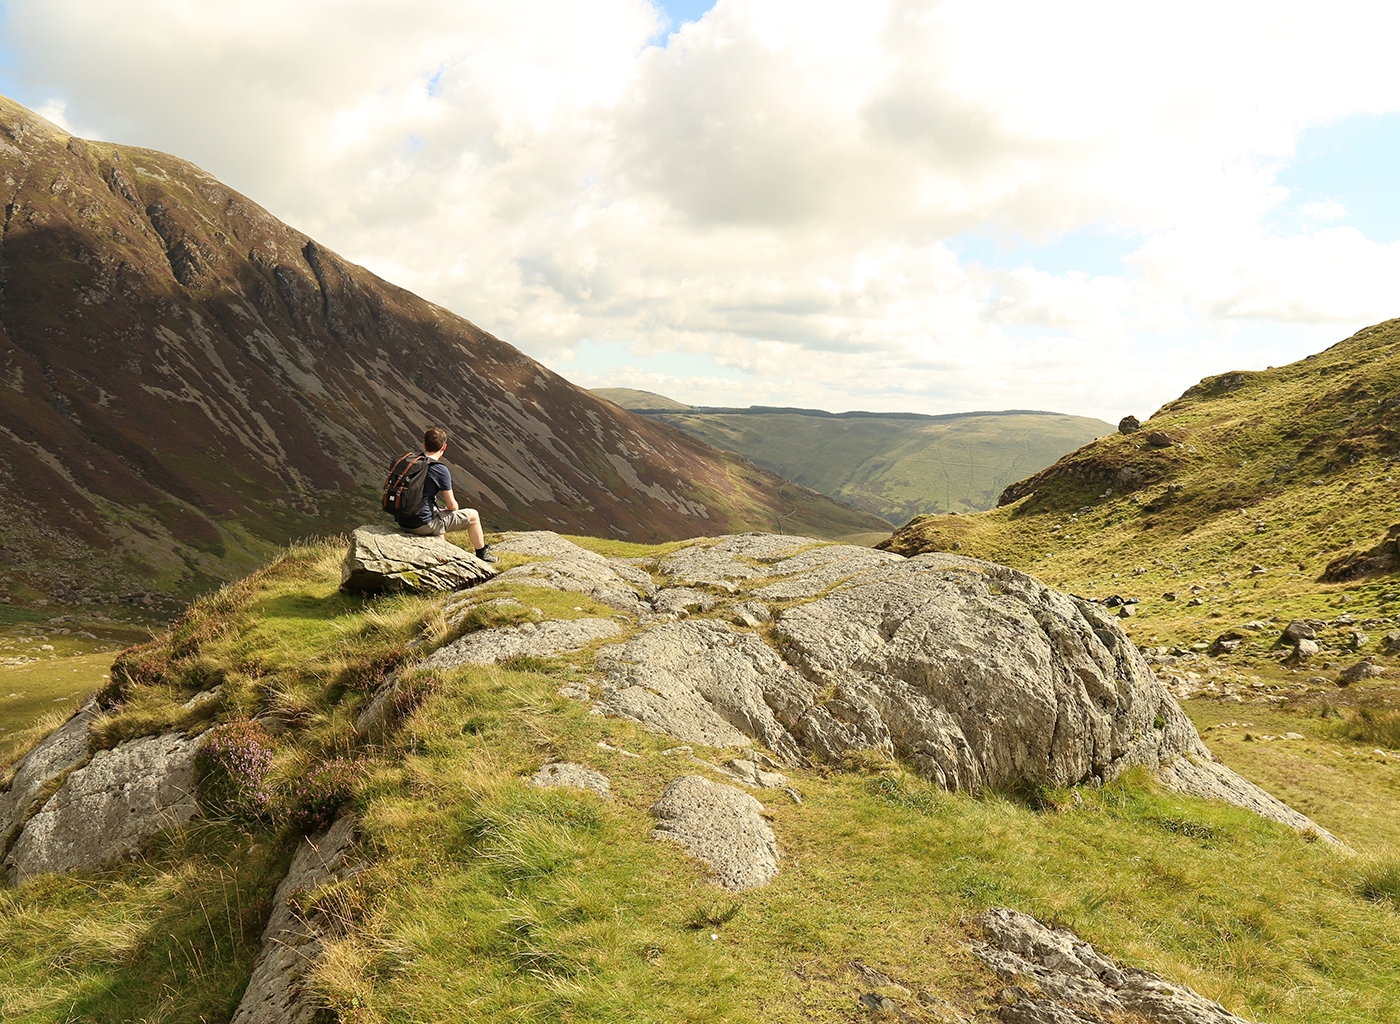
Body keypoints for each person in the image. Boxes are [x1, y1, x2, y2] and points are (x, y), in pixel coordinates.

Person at [397, 427, 497, 563]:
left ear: (424, 445)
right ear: (444, 447)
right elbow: (452, 505)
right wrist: (449, 509)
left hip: (403, 521)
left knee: (437, 518)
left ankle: (442, 555)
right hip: (421, 524)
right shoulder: (439, 469)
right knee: (473, 516)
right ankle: (482, 554)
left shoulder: (412, 463)